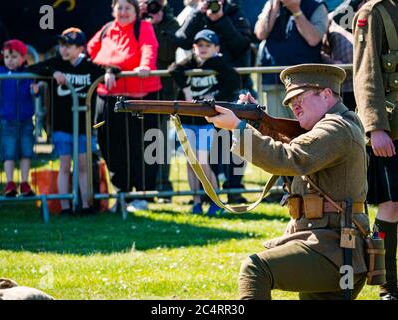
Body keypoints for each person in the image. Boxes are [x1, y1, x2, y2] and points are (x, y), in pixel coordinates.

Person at [206, 64, 369, 299]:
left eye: (300, 97)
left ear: (325, 94)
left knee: (255, 269)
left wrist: (238, 127)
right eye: (291, 100)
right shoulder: (333, 125)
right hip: (329, 246)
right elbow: (294, 148)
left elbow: (288, 157)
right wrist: (257, 122)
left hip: (335, 249)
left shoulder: (337, 128)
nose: (294, 105)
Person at [28, 28, 118, 215]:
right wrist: (52, 73)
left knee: (83, 166)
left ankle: (85, 205)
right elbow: (32, 69)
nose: (64, 50)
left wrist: (109, 73)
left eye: (69, 46)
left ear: (80, 49)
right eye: (62, 45)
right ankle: (65, 207)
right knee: (64, 166)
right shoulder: (57, 64)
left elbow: (112, 69)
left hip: (84, 127)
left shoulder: (88, 66)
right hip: (61, 126)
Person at [87, 0, 162, 213]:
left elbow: (149, 48)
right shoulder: (106, 29)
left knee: (141, 144)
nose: (123, 12)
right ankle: (122, 193)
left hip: (141, 96)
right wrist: (108, 69)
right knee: (110, 146)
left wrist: (145, 66)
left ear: (136, 11)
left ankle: (142, 194)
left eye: (128, 8)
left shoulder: (143, 27)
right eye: (119, 7)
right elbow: (90, 54)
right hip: (108, 97)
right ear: (112, 10)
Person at [353, 0, 398, 300]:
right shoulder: (374, 11)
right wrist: (375, 127)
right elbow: (366, 72)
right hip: (391, 129)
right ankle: (389, 286)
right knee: (391, 205)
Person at [168, 29, 240, 215]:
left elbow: (233, 79)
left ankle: (216, 200)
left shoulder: (219, 64)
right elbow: (173, 69)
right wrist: (185, 88)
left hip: (206, 121)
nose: (203, 48)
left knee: (201, 160)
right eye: (199, 45)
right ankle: (197, 202)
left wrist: (215, 95)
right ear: (194, 47)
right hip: (186, 120)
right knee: (191, 162)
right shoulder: (189, 63)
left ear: (216, 48)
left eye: (208, 45)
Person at [254, 0, 329, 118]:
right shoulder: (272, 4)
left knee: (306, 129)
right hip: (274, 81)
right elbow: (260, 34)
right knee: (278, 130)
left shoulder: (316, 6)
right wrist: (274, 9)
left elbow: (313, 39)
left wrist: (296, 11)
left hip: (305, 84)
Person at [138, 0, 180, 201]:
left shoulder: (171, 24)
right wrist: (142, 22)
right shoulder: (135, 22)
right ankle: (142, 187)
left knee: (158, 140)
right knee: (138, 140)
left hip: (163, 92)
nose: (150, 8)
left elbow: (166, 52)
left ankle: (162, 187)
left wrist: (153, 26)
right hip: (138, 91)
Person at [0, 39, 37, 197]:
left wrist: (35, 90)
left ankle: (24, 182)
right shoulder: (1, 73)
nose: (10, 60)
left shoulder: (28, 74)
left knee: (26, 152)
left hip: (26, 121)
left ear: (23, 57)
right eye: (7, 57)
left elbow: (35, 91)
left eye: (14, 57)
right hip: (7, 121)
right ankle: (9, 183)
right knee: (8, 152)